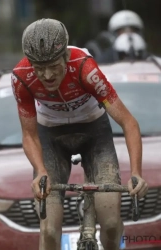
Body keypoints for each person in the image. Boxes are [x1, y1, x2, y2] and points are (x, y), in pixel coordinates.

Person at [11, 18, 148, 250]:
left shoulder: (85, 68)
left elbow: (128, 122)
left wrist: (136, 172)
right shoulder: (22, 77)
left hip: (93, 129)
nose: (46, 75)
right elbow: (29, 135)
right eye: (39, 67)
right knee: (50, 229)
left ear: (65, 56)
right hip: (51, 135)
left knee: (112, 223)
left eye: (53, 65)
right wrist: (41, 171)